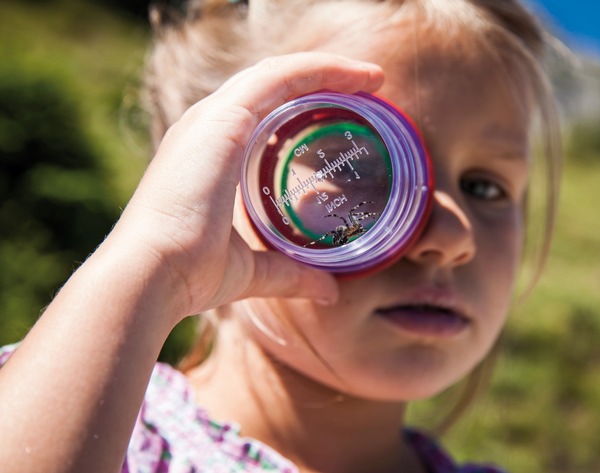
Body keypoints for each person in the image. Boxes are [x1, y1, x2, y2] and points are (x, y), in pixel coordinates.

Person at [0, 0, 562, 471]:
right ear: (219, 177)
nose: (450, 235)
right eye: (358, 166)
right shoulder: (87, 415)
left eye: (485, 188)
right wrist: (155, 266)